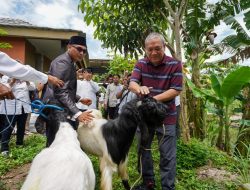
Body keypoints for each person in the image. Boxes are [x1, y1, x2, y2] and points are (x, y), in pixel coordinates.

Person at [129, 32, 183, 190]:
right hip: (145, 118)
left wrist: (152, 100)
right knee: (143, 150)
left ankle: (168, 186)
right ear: (145, 49)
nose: (153, 52)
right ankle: (148, 183)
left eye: (157, 48)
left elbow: (175, 90)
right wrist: (139, 87)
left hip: (167, 117)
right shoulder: (141, 63)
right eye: (150, 49)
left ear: (164, 47)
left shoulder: (175, 64)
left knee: (167, 155)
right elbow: (132, 83)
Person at [42, 35, 94, 147]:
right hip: (56, 108)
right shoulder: (63, 62)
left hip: (60, 107)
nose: (82, 53)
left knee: (62, 141)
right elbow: (60, 91)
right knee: (56, 143)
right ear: (69, 47)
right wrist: (78, 113)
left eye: (84, 51)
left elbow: (66, 88)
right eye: (79, 49)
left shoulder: (70, 62)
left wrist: (80, 98)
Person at [0, 76, 36, 156]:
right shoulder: (6, 77)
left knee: (21, 126)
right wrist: (12, 81)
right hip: (12, 107)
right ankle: (4, 148)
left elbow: (32, 87)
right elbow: (4, 90)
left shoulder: (23, 75)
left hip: (24, 105)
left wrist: (27, 81)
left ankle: (19, 143)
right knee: (9, 126)